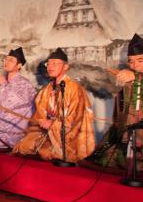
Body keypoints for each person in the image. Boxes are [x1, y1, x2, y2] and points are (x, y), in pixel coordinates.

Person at [13, 48, 95, 162]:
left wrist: (53, 124)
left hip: (67, 137)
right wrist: (41, 121)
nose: (50, 67)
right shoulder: (47, 89)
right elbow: (39, 115)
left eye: (55, 63)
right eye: (48, 63)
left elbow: (76, 119)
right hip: (47, 133)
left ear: (66, 67)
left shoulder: (74, 89)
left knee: (46, 153)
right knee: (23, 146)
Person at [81, 34, 143, 172]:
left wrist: (136, 77)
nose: (134, 65)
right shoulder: (128, 84)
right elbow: (121, 117)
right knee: (106, 158)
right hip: (128, 134)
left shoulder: (134, 78)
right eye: (131, 61)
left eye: (140, 60)